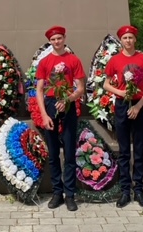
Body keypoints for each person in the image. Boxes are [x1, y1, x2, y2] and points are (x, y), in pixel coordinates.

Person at [103, 25, 143, 208]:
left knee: (139, 150)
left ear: (135, 40)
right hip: (122, 105)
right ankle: (125, 190)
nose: (128, 41)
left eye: (131, 37)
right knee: (124, 150)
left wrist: (140, 105)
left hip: (139, 105)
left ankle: (139, 190)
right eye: (125, 38)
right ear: (121, 41)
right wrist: (120, 92)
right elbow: (106, 84)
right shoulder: (115, 60)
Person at [35, 25, 85, 211]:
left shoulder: (73, 60)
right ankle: (57, 193)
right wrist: (44, 115)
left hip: (69, 106)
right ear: (50, 41)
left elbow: (80, 88)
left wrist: (68, 98)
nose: (57, 42)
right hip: (50, 105)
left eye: (59, 38)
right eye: (53, 39)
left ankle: (70, 194)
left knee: (70, 152)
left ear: (64, 38)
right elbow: (39, 90)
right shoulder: (45, 62)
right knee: (53, 153)